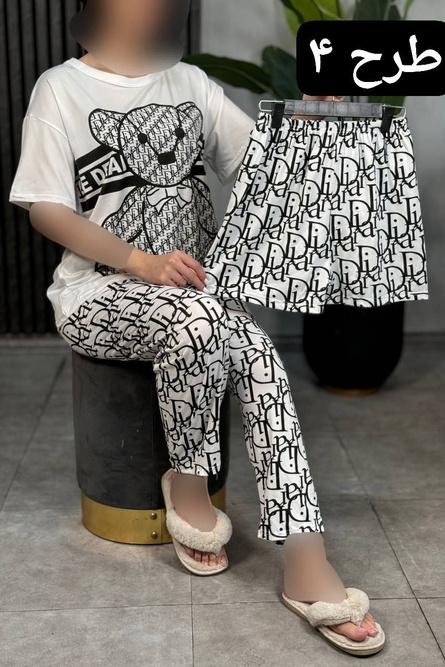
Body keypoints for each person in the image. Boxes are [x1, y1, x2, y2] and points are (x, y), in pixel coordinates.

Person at [9, 0, 383, 654]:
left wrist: (313, 116)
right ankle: (188, 483)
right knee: (202, 316)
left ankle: (307, 557)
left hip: (192, 293)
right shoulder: (59, 88)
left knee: (260, 355)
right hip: (97, 293)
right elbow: (46, 209)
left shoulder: (189, 82)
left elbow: (263, 167)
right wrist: (140, 262)